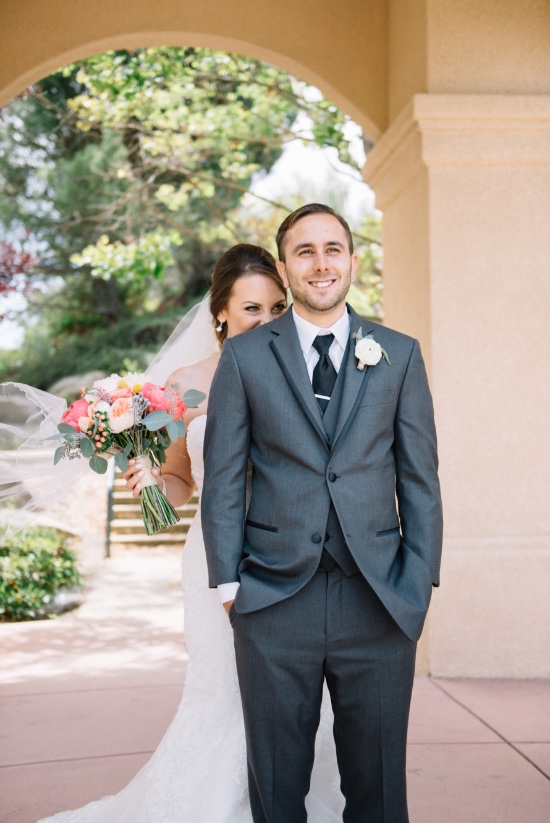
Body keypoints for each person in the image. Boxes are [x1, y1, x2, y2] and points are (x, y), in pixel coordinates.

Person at [26, 243, 344, 823]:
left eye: (278, 308)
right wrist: (148, 480)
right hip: (215, 560)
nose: (268, 320)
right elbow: (177, 482)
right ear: (220, 312)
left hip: (295, 556)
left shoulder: (307, 370)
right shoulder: (187, 383)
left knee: (301, 697)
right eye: (252, 308)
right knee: (224, 692)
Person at [202, 206, 444, 823]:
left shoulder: (399, 354)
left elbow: (420, 479)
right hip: (275, 600)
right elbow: (225, 477)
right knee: (278, 788)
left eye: (333, 249)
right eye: (304, 252)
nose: (321, 263)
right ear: (284, 269)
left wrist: (418, 582)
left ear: (353, 261)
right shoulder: (247, 357)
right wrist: (230, 585)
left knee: (379, 788)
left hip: (380, 598)